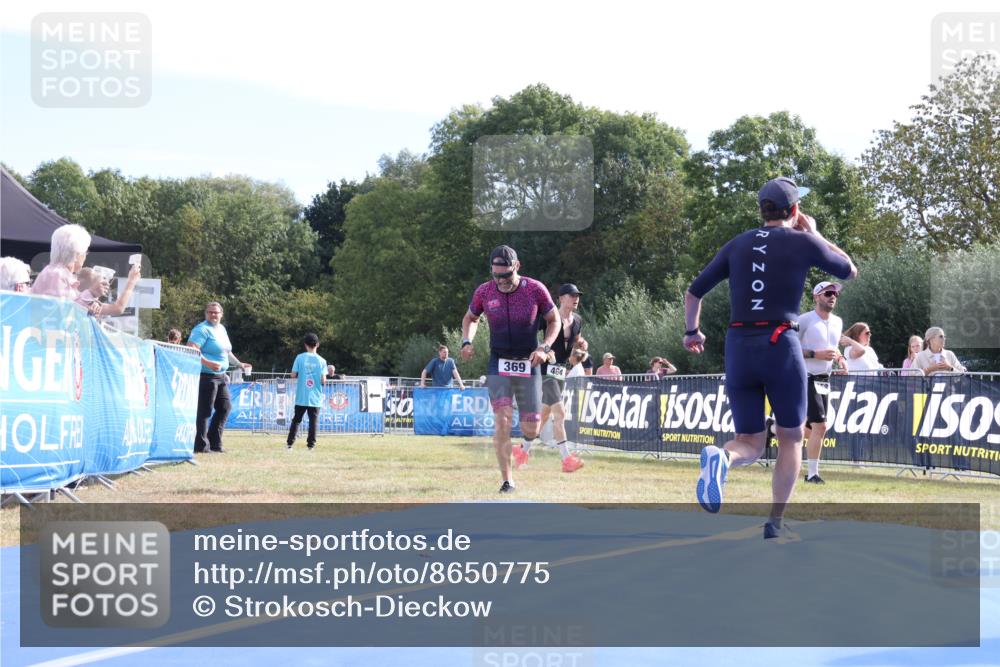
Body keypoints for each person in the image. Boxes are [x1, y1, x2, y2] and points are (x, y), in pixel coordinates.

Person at [683, 177, 857, 540]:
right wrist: (818, 234)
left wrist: (692, 332)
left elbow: (694, 291)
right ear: (795, 211)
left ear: (762, 210)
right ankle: (775, 521)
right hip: (780, 343)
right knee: (792, 438)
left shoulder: (738, 243)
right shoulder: (803, 240)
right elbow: (848, 270)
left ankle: (723, 459)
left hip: (739, 344)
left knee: (748, 440)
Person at [460, 245, 560, 493]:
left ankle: (525, 431)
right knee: (502, 420)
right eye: (497, 276)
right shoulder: (484, 291)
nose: (501, 281)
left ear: (517, 266)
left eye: (506, 276)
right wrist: (466, 341)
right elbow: (470, 318)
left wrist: (544, 347)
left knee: (531, 428)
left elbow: (554, 320)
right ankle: (508, 480)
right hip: (499, 361)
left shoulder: (535, 289)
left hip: (530, 361)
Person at [519, 283, 587, 473]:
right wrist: (544, 351)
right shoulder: (549, 318)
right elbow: (532, 338)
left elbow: (575, 344)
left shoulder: (578, 320)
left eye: (578, 295)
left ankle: (522, 450)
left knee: (545, 414)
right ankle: (566, 459)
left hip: (560, 372)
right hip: (547, 369)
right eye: (572, 295)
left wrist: (581, 344)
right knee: (561, 414)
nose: (576, 299)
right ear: (562, 298)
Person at [797, 281, 846, 485]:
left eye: (835, 293)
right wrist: (814, 354)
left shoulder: (838, 322)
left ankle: (773, 428)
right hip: (805, 376)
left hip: (825, 379)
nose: (832, 296)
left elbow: (833, 348)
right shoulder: (804, 320)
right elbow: (788, 349)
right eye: (827, 293)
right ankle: (812, 475)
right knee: (821, 426)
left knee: (811, 429)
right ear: (817, 297)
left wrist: (841, 359)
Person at [187, 301, 251, 454]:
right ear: (206, 314)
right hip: (206, 376)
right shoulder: (202, 330)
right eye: (210, 312)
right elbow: (191, 349)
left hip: (221, 376)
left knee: (225, 407)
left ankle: (215, 442)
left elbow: (226, 352)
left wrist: (239, 364)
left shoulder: (221, 329)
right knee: (205, 411)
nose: (213, 315)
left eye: (216, 312)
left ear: (221, 314)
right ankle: (201, 446)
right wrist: (208, 363)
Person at [286, 333, 329, 451]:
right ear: (317, 345)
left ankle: (290, 444)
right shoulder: (322, 361)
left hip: (302, 395)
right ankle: (311, 446)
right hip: (315, 396)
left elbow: (293, 375)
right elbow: (323, 380)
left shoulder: (300, 357)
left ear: (305, 345)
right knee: (313, 422)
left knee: (296, 420)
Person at [31, 224, 90, 299]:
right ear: (77, 253)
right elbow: (59, 307)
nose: (86, 255)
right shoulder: (56, 274)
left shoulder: (56, 272)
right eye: (86, 251)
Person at [74, 264, 142, 318]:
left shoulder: (84, 300)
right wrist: (131, 281)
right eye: (103, 280)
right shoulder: (84, 300)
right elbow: (118, 308)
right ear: (91, 285)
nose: (107, 284)